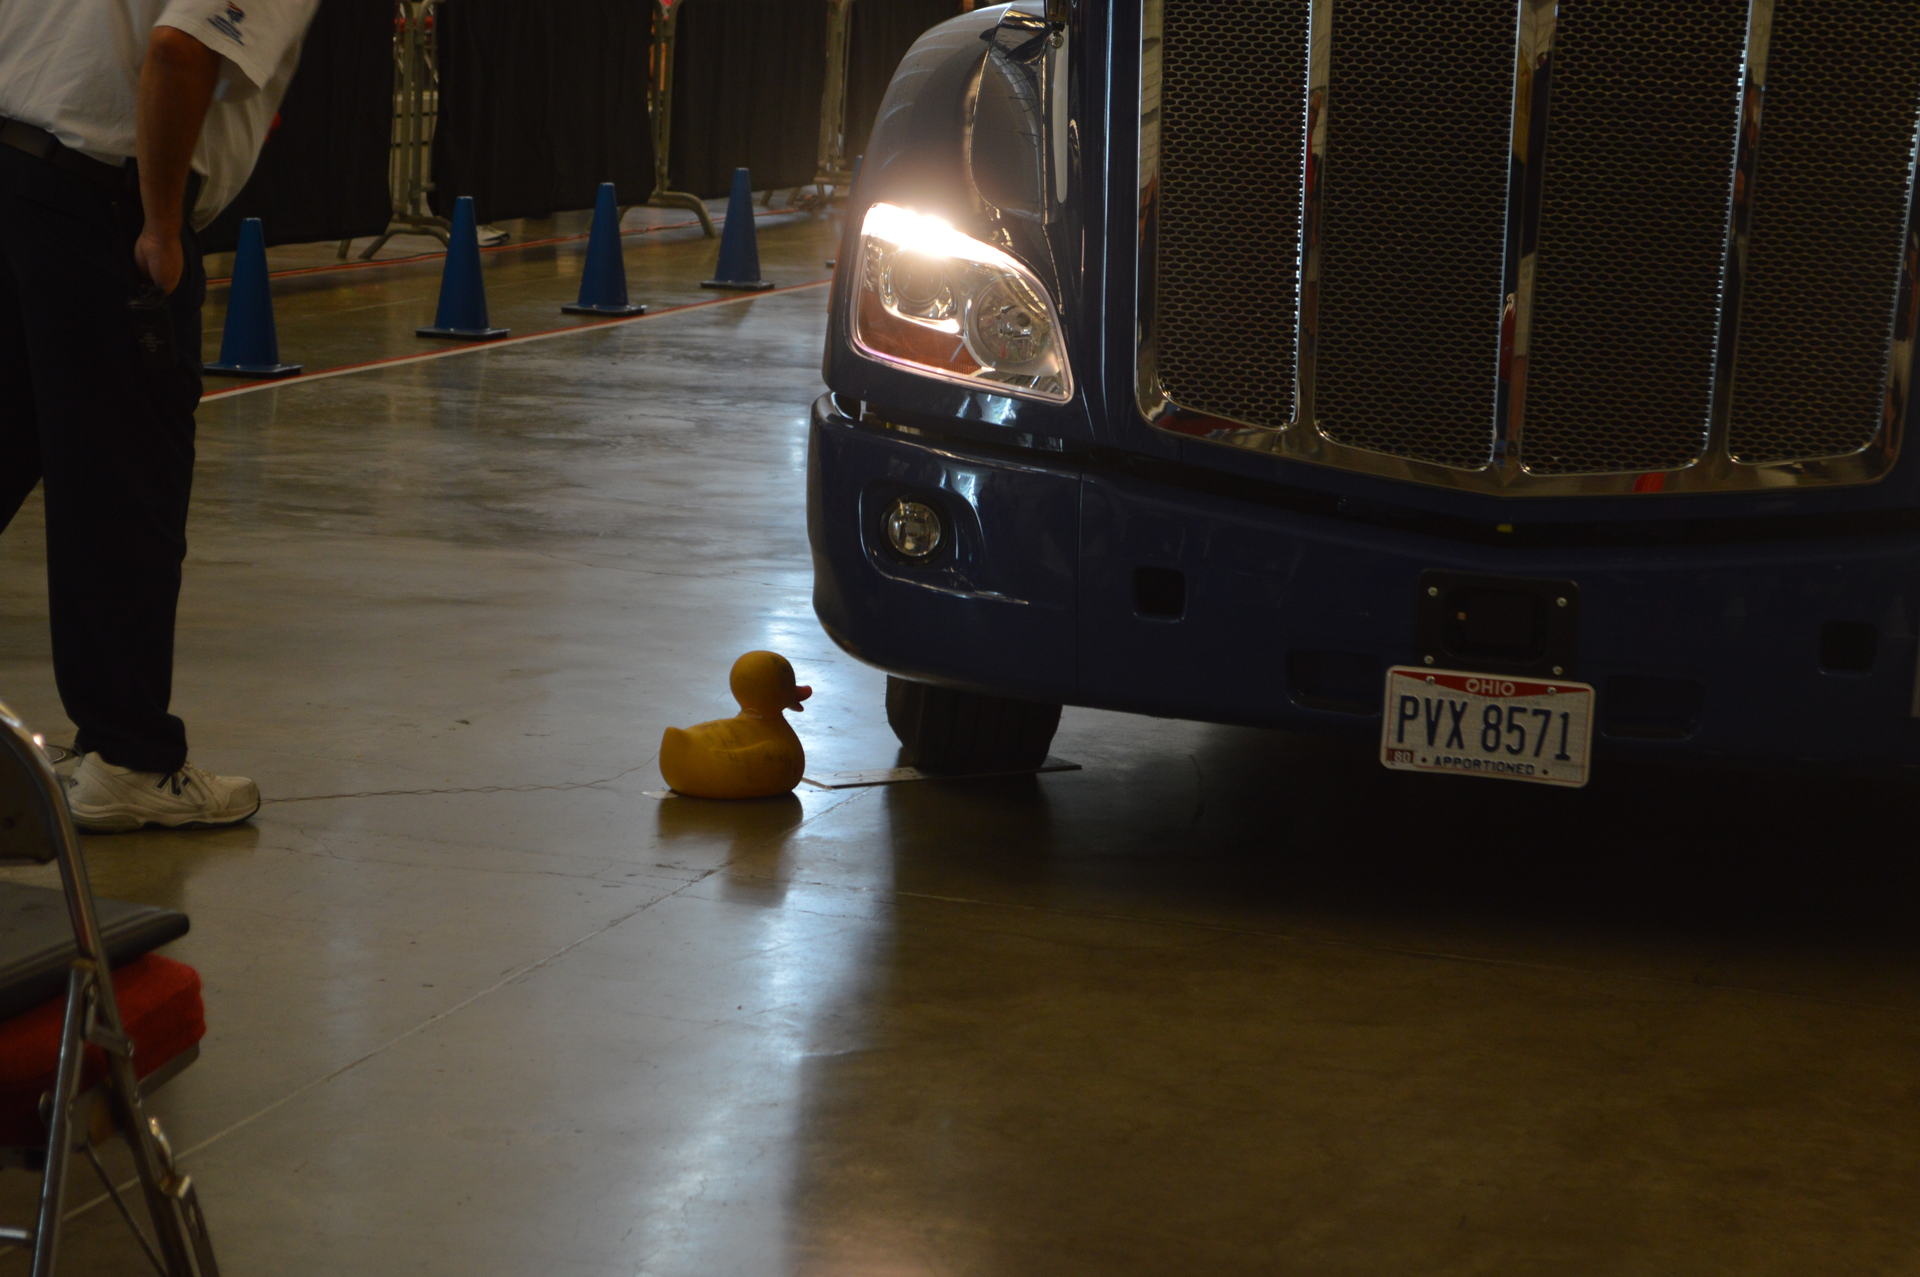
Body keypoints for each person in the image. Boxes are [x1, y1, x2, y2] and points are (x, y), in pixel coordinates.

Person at [0, 0, 319, 831]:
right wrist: (163, 225)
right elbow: (180, 53)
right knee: (124, 482)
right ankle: (128, 754)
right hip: (94, 198)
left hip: (12, 169)